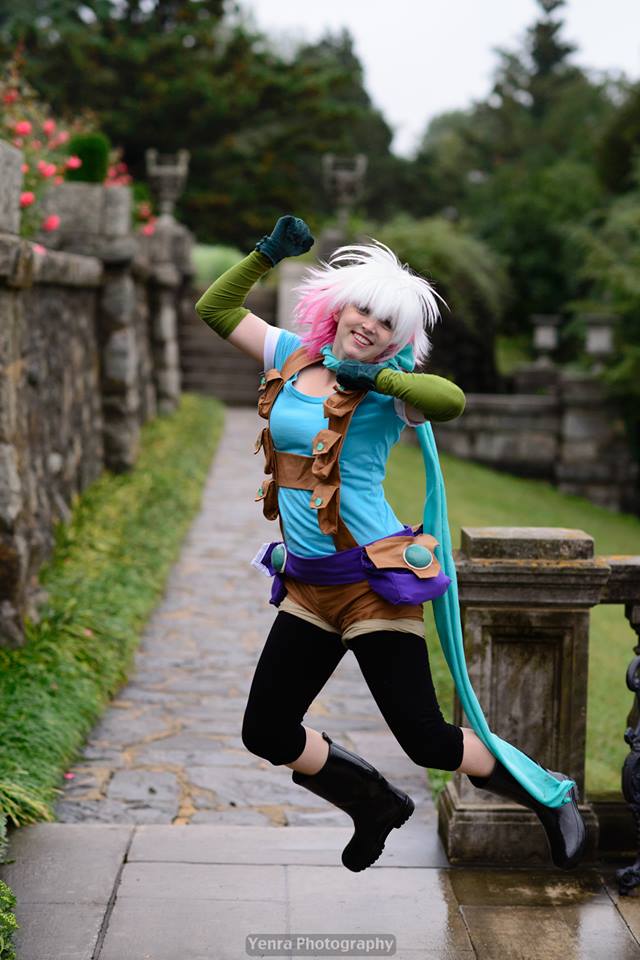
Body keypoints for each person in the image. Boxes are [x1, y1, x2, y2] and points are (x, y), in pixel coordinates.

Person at [195, 214, 586, 873]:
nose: (369, 326)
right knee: (266, 730)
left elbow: (449, 400)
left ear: (397, 340)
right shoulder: (291, 353)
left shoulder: (391, 392)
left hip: (372, 584)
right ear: (340, 306)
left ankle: (549, 794)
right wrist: (265, 254)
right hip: (309, 586)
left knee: (427, 740)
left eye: (387, 324)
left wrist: (377, 377)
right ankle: (373, 802)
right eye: (364, 310)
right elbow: (215, 308)